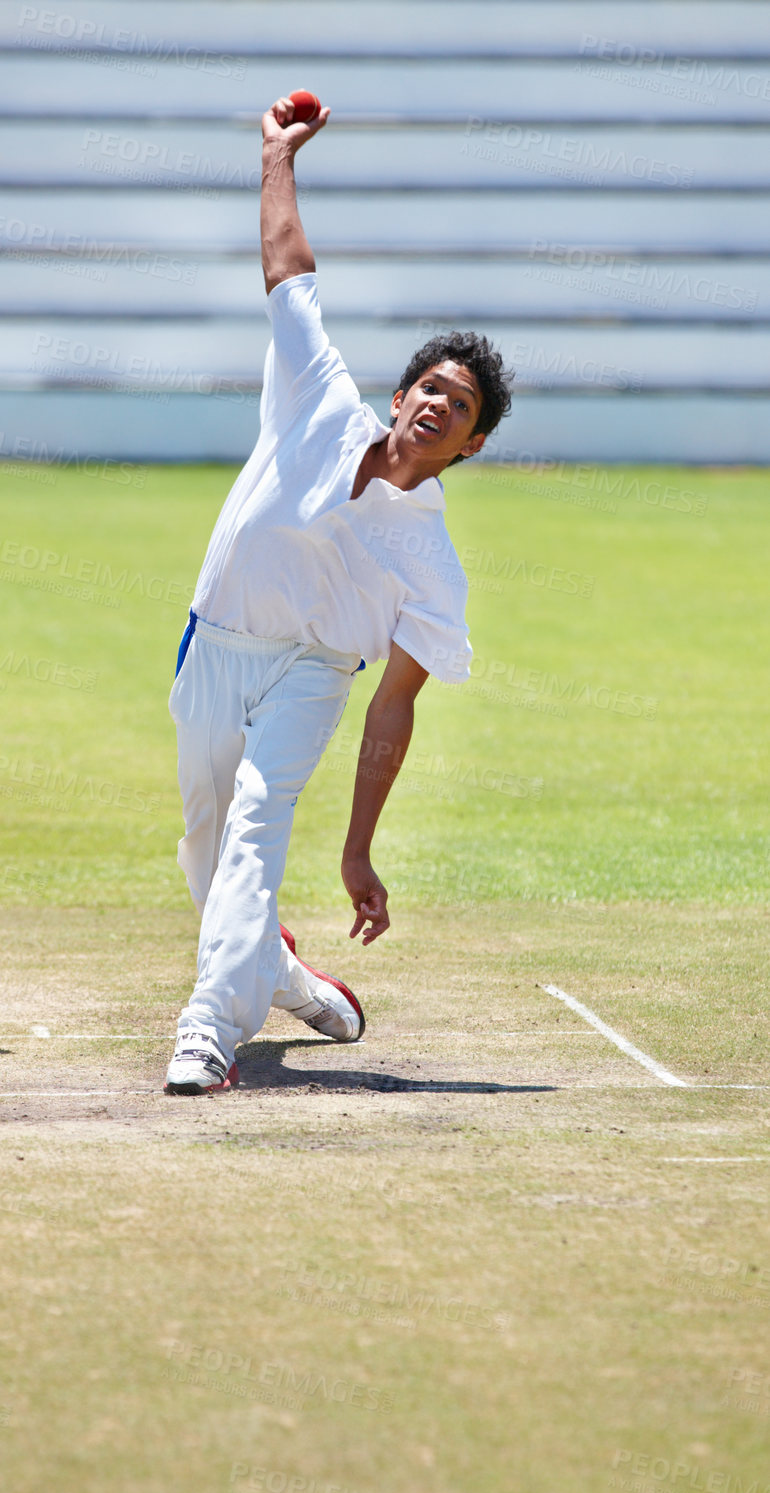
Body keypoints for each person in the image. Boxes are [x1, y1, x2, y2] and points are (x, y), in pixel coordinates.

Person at [164, 94, 514, 1096]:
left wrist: (358, 846)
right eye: (430, 388)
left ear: (469, 445)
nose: (439, 404)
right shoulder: (317, 394)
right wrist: (276, 155)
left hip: (313, 675)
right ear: (399, 396)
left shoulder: (430, 564)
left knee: (251, 833)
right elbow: (286, 272)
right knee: (203, 846)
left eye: (461, 407)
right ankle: (281, 976)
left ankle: (206, 1032)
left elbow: (393, 703)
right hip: (213, 641)